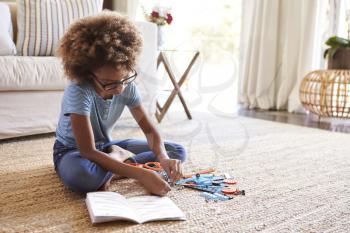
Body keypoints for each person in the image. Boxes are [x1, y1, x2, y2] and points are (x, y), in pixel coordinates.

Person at [52, 11, 186, 196]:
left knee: (176, 151)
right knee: (83, 177)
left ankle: (114, 163)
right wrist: (141, 174)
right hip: (74, 152)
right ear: (87, 74)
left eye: (124, 79)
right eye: (110, 83)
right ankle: (119, 157)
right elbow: (88, 151)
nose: (120, 88)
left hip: (106, 145)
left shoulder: (125, 85)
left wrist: (163, 158)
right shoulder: (79, 91)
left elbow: (148, 130)